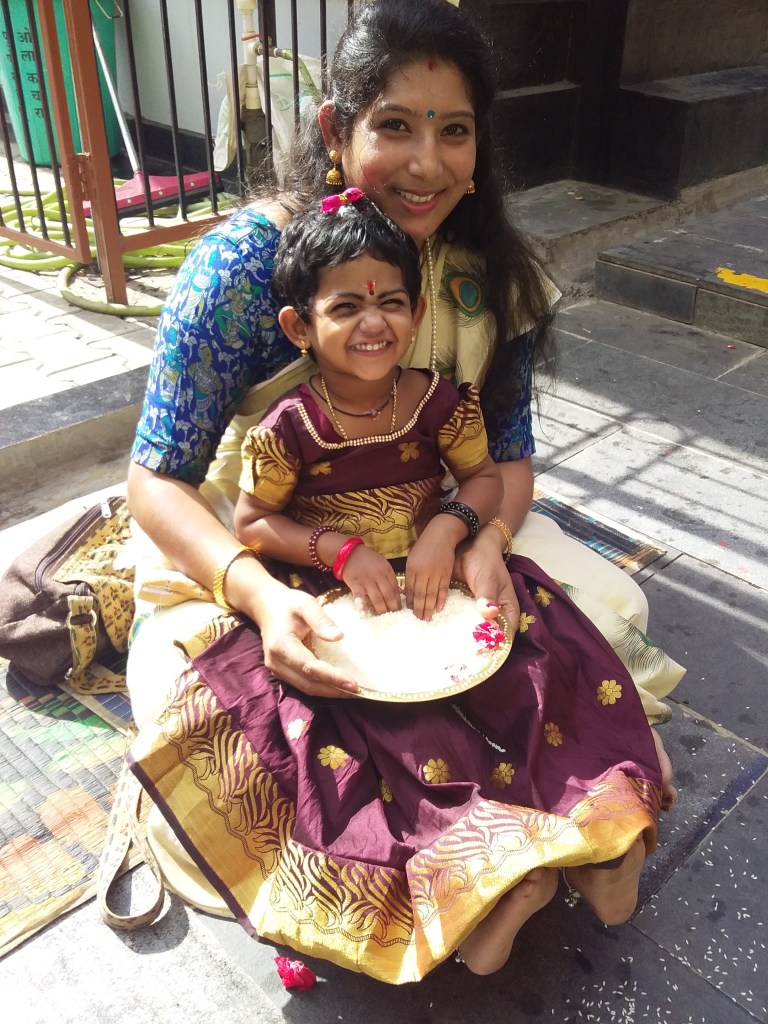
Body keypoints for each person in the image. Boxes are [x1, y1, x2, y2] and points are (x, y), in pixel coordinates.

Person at [125, 0, 683, 983]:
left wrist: (474, 536)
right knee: (247, 735)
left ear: (479, 145)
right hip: (260, 554)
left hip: (432, 537)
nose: (428, 162)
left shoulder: (486, 274)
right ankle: (483, 867)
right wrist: (263, 595)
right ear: (338, 132)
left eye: (454, 129)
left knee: (594, 616)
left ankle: (533, 854)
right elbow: (156, 482)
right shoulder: (247, 268)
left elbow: (507, 464)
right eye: (396, 125)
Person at [233, 189, 504, 622]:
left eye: (390, 303)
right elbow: (251, 524)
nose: (374, 323)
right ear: (299, 327)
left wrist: (445, 531)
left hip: (433, 577)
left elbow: (485, 477)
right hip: (327, 588)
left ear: (415, 314)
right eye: (346, 307)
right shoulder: (288, 428)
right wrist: (341, 553)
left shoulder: (439, 402)